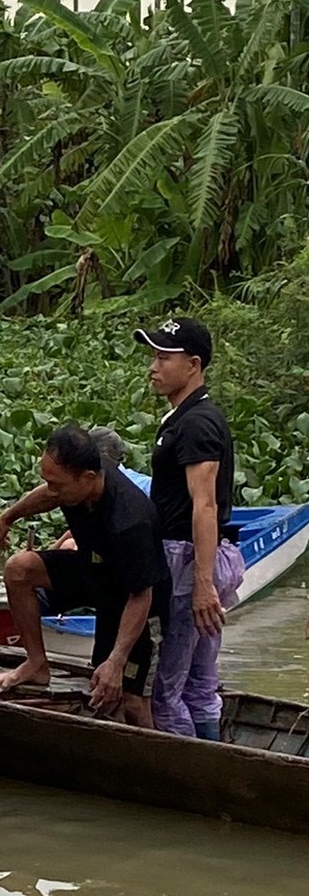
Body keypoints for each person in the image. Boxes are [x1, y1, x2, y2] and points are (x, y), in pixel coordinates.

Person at [0, 425, 171, 727]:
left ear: (88, 479)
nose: (51, 491)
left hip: (135, 602)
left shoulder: (129, 519)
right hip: (95, 572)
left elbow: (141, 596)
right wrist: (7, 517)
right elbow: (46, 496)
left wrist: (116, 660)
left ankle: (156, 767)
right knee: (19, 569)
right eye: (48, 482)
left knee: (130, 700)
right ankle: (36, 663)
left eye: (57, 485)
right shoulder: (75, 483)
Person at [135, 317, 244, 740]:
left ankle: (192, 770)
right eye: (153, 356)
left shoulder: (196, 423)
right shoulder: (186, 417)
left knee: (167, 690)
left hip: (188, 557)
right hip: (200, 555)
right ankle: (214, 756)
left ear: (194, 364)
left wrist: (202, 583)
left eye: (165, 357)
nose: (154, 366)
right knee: (200, 682)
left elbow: (205, 505)